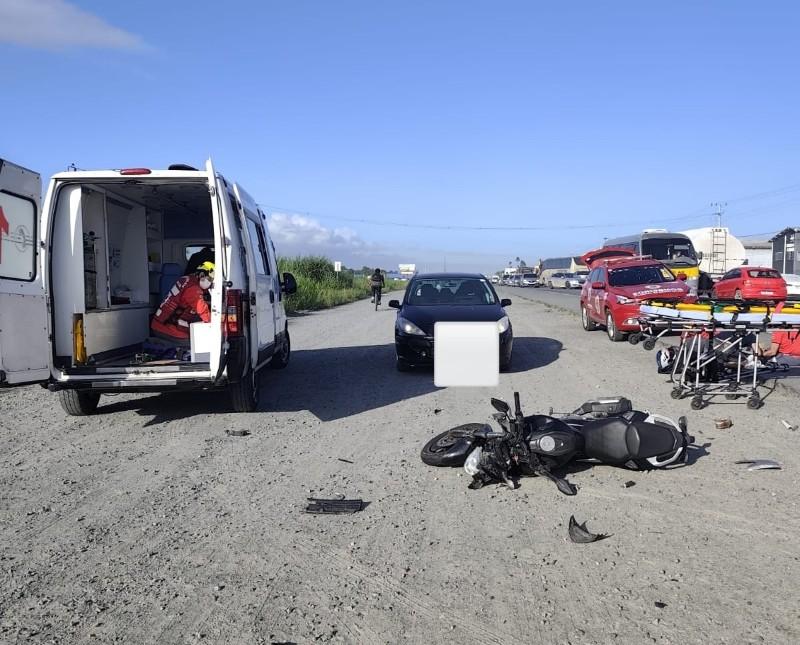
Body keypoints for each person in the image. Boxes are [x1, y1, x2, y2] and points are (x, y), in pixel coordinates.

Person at [150, 261, 214, 345]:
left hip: (162, 322)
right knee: (194, 343)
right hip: (166, 327)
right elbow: (202, 309)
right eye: (210, 279)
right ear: (202, 275)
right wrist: (214, 325)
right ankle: (158, 343)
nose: (211, 283)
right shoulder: (193, 289)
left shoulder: (187, 279)